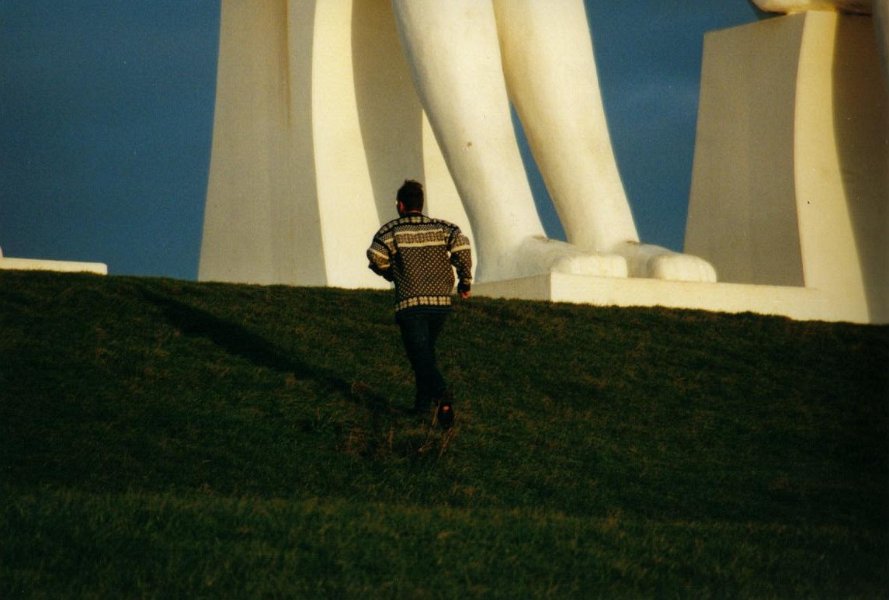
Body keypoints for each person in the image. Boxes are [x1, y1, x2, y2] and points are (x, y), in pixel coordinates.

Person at [367, 180, 472, 429]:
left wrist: (392, 273)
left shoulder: (391, 231)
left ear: (400, 205)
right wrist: (464, 281)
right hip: (440, 303)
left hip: (411, 303)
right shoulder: (442, 227)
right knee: (425, 354)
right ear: (420, 204)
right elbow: (462, 245)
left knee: (420, 357)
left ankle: (441, 395)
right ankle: (421, 407)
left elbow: (375, 256)